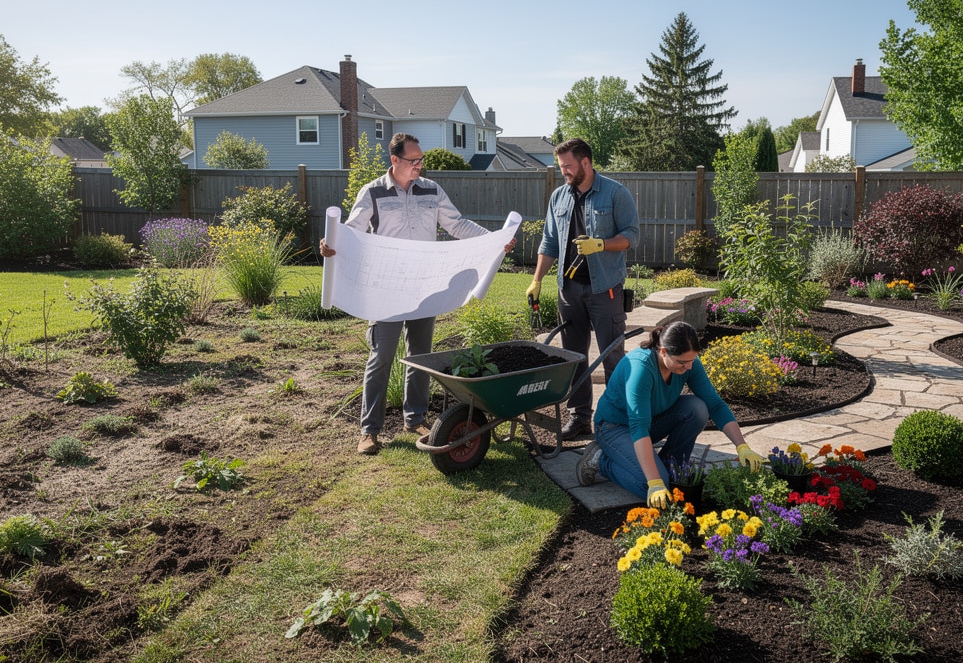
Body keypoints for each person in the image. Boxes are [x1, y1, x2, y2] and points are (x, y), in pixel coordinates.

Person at [320, 132, 514, 455]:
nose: (419, 166)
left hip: (426, 288)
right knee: (381, 357)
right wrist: (332, 243)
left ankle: (415, 418)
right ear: (394, 161)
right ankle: (369, 431)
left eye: (421, 160)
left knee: (421, 357)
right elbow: (352, 231)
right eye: (413, 161)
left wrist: (495, 239)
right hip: (386, 291)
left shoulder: (432, 191)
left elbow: (458, 225)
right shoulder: (372, 193)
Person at [576, 321, 764, 508]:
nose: (689, 367)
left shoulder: (687, 362)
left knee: (697, 408)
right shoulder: (640, 368)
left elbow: (715, 405)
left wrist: (742, 447)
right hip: (615, 427)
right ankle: (600, 460)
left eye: (692, 360)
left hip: (649, 422)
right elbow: (638, 426)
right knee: (654, 487)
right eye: (682, 362)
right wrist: (654, 482)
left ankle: (669, 465)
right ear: (663, 351)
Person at [525, 138, 640, 441]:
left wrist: (601, 244)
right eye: (560, 166)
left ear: (585, 163)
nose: (563, 172)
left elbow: (632, 236)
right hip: (569, 290)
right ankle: (579, 418)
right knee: (574, 356)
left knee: (612, 355)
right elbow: (549, 242)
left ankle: (618, 420)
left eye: (567, 167)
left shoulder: (615, 194)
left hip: (605, 289)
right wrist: (537, 279)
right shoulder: (559, 198)